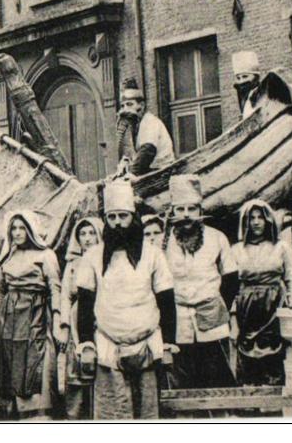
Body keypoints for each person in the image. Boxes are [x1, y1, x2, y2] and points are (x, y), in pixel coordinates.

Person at [75, 180, 177, 420]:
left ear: (133, 217)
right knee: (112, 415)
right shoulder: (92, 257)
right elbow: (85, 305)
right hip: (108, 346)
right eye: (111, 217)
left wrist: (169, 343)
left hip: (147, 346)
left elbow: (166, 300)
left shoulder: (153, 255)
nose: (117, 223)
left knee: (148, 415)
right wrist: (87, 343)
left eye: (123, 216)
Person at [163, 175, 238, 389]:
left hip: (212, 320)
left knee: (217, 378)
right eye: (180, 210)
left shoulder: (217, 238)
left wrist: (217, 305)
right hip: (179, 321)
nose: (186, 215)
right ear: (173, 213)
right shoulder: (164, 242)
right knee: (184, 380)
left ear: (200, 211)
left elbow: (231, 277)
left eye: (191, 209)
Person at [0, 211, 62, 420]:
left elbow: (54, 288)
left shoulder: (45, 255)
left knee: (36, 360)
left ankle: (36, 415)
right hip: (9, 316)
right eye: (14, 228)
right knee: (10, 362)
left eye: (22, 228)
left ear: (30, 230)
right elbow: (0, 289)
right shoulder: (7, 256)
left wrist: (57, 319)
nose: (18, 233)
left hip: (35, 313)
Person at [231, 199, 292, 386]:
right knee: (248, 354)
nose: (256, 222)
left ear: (268, 220)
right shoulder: (236, 250)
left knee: (273, 353)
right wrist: (233, 317)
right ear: (245, 222)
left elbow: (291, 277)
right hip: (247, 308)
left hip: (274, 305)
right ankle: (251, 405)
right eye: (251, 218)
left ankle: (275, 405)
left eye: (261, 217)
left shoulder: (281, 247)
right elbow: (232, 286)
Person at [58, 217, 102, 420]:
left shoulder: (107, 259)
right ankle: (74, 417)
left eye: (91, 233)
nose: (87, 238)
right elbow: (65, 295)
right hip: (78, 318)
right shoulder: (73, 264)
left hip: (102, 315)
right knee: (76, 369)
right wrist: (65, 325)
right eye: (82, 234)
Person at [115, 77, 175, 176]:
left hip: (161, 172)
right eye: (123, 106)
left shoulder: (150, 122)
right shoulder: (136, 125)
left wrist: (129, 175)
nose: (125, 109)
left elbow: (146, 153)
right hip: (150, 171)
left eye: (129, 104)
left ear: (141, 106)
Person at [231, 51, 262, 117]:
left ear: (255, 77)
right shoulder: (243, 100)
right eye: (238, 78)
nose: (241, 81)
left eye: (245, 76)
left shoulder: (263, 96)